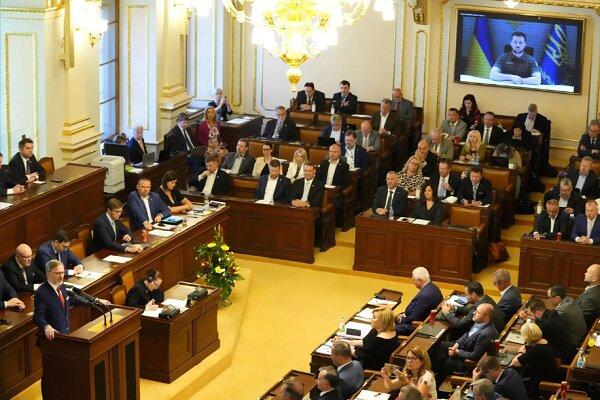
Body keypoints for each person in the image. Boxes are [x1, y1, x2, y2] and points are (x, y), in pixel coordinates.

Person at [433, 303, 499, 382]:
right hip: (465, 347)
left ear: (486, 317)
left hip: (467, 363)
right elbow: (467, 334)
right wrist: (456, 345)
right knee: (441, 345)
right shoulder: (480, 322)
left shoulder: (485, 334)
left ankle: (438, 377)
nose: (474, 313)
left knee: (442, 361)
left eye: (478, 312)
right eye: (476, 310)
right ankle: (436, 370)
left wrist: (457, 352)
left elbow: (475, 355)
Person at [518, 297, 576, 363]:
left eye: (529, 314)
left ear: (537, 313)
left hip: (561, 357)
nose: (528, 316)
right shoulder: (552, 313)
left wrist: (527, 319)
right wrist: (529, 314)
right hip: (569, 350)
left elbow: (531, 332)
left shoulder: (545, 324)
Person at [508, 322, 558, 398]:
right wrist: (525, 347)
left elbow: (515, 362)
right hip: (546, 375)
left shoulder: (537, 350)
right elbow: (530, 348)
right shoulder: (544, 342)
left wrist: (520, 352)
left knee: (512, 386)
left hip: (540, 383)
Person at [395, 267, 443, 335]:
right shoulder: (433, 287)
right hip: (423, 318)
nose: (413, 282)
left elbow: (414, 318)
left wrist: (400, 320)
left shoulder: (424, 296)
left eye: (414, 280)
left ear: (420, 280)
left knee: (390, 328)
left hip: (417, 326)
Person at [574, 264, 600, 329]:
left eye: (587, 272)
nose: (585, 274)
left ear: (594, 278)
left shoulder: (590, 299)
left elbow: (578, 319)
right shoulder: (594, 288)